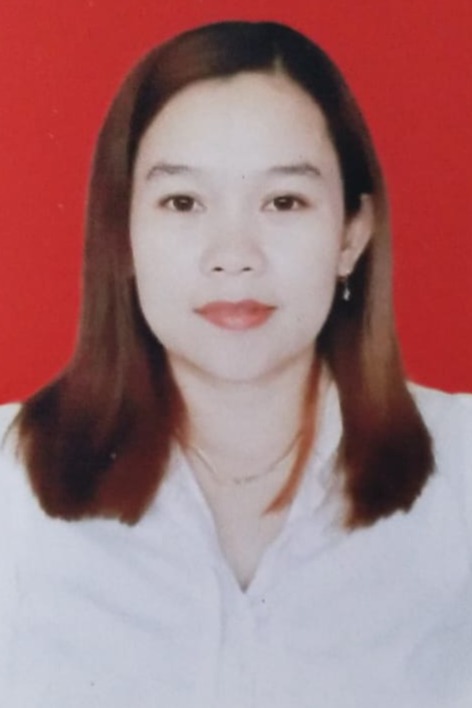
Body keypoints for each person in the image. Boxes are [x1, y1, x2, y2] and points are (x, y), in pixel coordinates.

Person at [1, 20, 471, 708]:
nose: (234, 256)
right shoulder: (8, 488)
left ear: (351, 235)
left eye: (283, 201)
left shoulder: (463, 466)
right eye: (183, 202)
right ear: (122, 235)